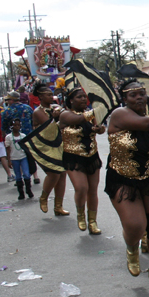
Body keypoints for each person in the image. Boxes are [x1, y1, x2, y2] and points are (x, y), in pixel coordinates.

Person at [105, 79, 149, 287]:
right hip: (123, 177)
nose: (139, 97)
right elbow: (145, 124)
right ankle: (132, 247)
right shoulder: (119, 115)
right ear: (124, 99)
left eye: (142, 93)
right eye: (133, 94)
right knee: (136, 225)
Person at [59, 87, 105, 234]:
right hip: (73, 157)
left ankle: (93, 221)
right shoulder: (65, 115)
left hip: (92, 155)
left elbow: (101, 127)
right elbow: (78, 120)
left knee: (93, 190)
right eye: (79, 97)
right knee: (81, 188)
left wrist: (100, 129)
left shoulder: (91, 115)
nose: (83, 99)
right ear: (71, 100)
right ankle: (81, 216)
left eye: (84, 97)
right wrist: (101, 108)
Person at [31, 81, 70, 216]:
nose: (51, 97)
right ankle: (44, 197)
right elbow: (50, 127)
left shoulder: (55, 107)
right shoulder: (38, 112)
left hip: (59, 143)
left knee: (63, 174)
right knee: (54, 174)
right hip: (46, 147)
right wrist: (56, 118)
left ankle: (58, 206)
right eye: (47, 95)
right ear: (40, 97)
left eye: (51, 94)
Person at [2, 90, 39, 184]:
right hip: (28, 136)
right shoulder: (28, 108)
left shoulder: (7, 111)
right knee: (30, 156)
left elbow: (3, 126)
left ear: (12, 100)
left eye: (8, 100)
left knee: (18, 157)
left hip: (15, 137)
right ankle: (35, 175)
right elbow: (34, 121)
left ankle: (22, 177)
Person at [4, 118, 35, 200]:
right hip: (14, 158)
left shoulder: (23, 136)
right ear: (11, 126)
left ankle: (28, 190)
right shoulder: (9, 137)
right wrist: (9, 160)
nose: (17, 127)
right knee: (18, 175)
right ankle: (21, 192)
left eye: (18, 125)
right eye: (15, 125)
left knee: (26, 173)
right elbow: (8, 149)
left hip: (23, 157)